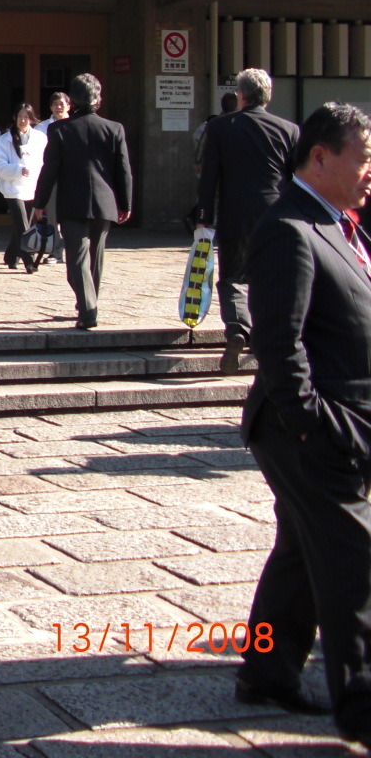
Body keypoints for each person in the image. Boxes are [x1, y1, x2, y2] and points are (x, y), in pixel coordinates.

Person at [236, 102, 371, 742]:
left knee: (298, 555)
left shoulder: (340, 225)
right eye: (363, 159)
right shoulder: (288, 228)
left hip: (339, 423)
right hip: (311, 431)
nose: (369, 173)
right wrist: (313, 424)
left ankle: (267, 671)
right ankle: (362, 708)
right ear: (320, 157)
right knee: (356, 562)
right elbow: (278, 343)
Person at [197, 71, 298, 375]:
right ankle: (269, 337)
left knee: (232, 277)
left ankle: (237, 328)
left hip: (236, 215)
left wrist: (204, 218)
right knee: (272, 279)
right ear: (268, 96)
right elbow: (298, 180)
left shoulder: (220, 127)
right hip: (277, 216)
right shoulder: (289, 130)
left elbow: (209, 176)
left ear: (240, 95)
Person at [33, 73, 133, 330]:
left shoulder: (60, 129)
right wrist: (125, 203)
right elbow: (123, 170)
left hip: (72, 201)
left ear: (73, 99)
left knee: (76, 259)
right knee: (96, 258)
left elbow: (50, 169)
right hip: (104, 201)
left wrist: (40, 202)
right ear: (98, 98)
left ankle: (88, 310)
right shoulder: (113, 128)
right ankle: (89, 303)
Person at [0, 104, 47, 274]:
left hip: (32, 186)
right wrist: (18, 170)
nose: (22, 120)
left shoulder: (40, 138)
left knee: (24, 226)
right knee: (23, 225)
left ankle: (11, 255)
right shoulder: (4, 140)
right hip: (12, 187)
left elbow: (45, 161)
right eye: (19, 117)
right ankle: (29, 260)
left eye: (26, 117)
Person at [33, 93, 71, 262]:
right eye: (55, 104)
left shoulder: (75, 125)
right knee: (53, 216)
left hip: (72, 176)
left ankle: (72, 250)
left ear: (69, 106)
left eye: (61, 104)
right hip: (51, 176)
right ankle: (56, 251)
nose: (58, 107)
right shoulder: (41, 128)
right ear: (50, 107)